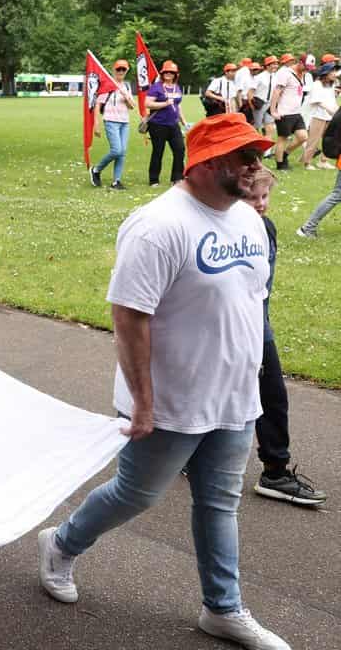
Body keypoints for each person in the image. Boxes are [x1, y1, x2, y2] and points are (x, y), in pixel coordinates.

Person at [38, 114, 290, 650]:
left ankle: (223, 608)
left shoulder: (246, 219)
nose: (254, 166)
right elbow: (129, 317)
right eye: (242, 157)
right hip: (170, 400)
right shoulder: (158, 226)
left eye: (255, 155)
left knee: (221, 500)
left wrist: (253, 377)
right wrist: (144, 404)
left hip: (234, 395)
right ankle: (60, 545)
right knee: (135, 495)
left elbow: (248, 301)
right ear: (204, 163)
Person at [241, 169, 327, 507]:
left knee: (272, 396)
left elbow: (262, 289)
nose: (261, 204)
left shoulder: (266, 228)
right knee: (214, 393)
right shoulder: (225, 232)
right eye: (253, 198)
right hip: (233, 330)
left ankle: (275, 471)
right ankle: (189, 454)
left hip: (258, 328)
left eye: (265, 197)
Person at [92, 59, 136, 189]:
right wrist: (96, 123)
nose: (121, 72)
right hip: (111, 120)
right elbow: (98, 104)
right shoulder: (107, 84)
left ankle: (116, 181)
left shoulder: (127, 86)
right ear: (114, 70)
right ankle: (96, 170)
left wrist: (126, 97)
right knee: (117, 150)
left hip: (124, 122)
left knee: (122, 152)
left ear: (126, 71)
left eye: (123, 69)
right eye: (118, 69)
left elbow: (132, 106)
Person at [144, 60, 188, 186]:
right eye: (166, 72)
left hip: (173, 124)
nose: (169, 74)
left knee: (180, 149)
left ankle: (177, 178)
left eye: (171, 72)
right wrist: (164, 103)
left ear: (175, 74)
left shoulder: (177, 87)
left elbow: (178, 106)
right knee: (158, 151)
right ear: (162, 73)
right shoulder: (156, 87)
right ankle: (154, 180)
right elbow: (147, 103)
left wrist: (184, 122)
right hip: (158, 124)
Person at [269, 54, 308, 171]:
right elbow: (277, 92)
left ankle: (285, 154)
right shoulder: (285, 73)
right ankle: (280, 165)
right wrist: (273, 110)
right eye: (306, 67)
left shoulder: (303, 74)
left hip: (296, 112)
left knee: (303, 137)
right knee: (283, 139)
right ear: (300, 63)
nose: (307, 70)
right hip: (284, 112)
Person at [299, 62, 337, 170]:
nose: (335, 74)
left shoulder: (331, 85)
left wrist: (335, 110)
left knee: (330, 139)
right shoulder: (317, 85)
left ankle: (323, 161)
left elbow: (332, 100)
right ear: (326, 73)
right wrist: (328, 109)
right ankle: (307, 163)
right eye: (332, 71)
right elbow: (316, 101)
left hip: (330, 117)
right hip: (318, 116)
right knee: (313, 140)